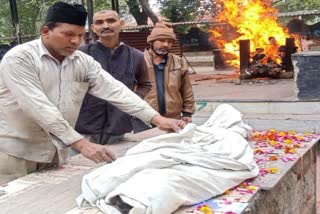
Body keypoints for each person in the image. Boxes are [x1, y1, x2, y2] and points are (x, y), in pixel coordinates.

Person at [0, 2, 185, 184]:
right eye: (68, 34)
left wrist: (157, 119)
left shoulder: (82, 61)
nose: (75, 41)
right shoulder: (19, 59)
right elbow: (38, 106)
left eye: (80, 35)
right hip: (17, 153)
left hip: (56, 152)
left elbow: (116, 90)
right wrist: (81, 144)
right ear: (46, 31)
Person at [75, 10, 151, 145]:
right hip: (84, 127)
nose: (105, 25)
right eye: (99, 22)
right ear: (93, 28)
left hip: (119, 126)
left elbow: (145, 84)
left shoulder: (136, 56)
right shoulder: (80, 55)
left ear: (121, 24)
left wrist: (130, 100)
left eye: (111, 21)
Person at [133, 22, 195, 133]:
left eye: (170, 41)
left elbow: (186, 89)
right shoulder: (137, 60)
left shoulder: (178, 62)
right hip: (143, 118)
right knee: (145, 148)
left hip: (172, 118)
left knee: (171, 148)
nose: (166, 44)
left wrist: (187, 112)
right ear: (151, 41)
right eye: (161, 40)